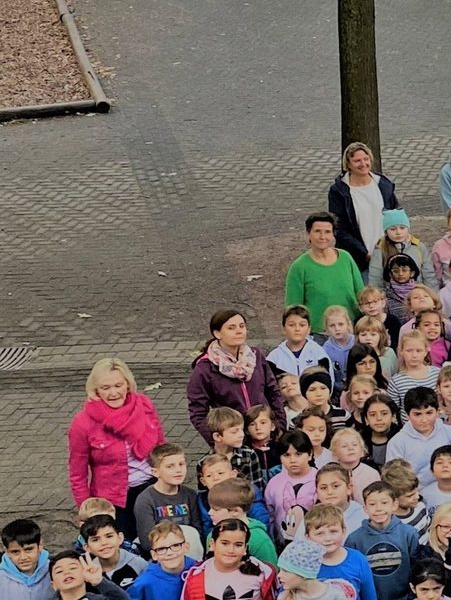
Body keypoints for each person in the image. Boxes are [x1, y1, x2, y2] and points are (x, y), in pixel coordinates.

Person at [68, 358, 166, 531]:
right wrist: (86, 509)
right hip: (112, 501)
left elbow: (161, 449)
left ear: (128, 385)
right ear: (96, 390)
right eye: (105, 388)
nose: (113, 393)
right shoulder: (82, 423)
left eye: (118, 385)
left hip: (152, 488)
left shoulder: (144, 406)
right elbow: (78, 473)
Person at [186, 310, 285, 444]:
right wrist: (218, 440)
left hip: (264, 434)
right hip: (233, 440)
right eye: (231, 328)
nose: (239, 331)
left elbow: (273, 392)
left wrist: (279, 426)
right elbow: (198, 411)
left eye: (242, 326)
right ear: (217, 333)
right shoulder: (205, 368)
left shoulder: (256, 356)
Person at [326, 142, 400, 273]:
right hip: (358, 259)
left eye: (366, 159)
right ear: (348, 164)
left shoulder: (383, 184)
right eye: (357, 161)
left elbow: (396, 216)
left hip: (388, 254)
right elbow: (339, 228)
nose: (363, 164)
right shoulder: (339, 191)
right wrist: (364, 254)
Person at [287, 213, 368, 330]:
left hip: (350, 328)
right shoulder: (299, 267)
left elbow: (361, 293)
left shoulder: (346, 258)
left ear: (333, 234)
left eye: (327, 232)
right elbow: (294, 309)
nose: (322, 236)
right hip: (319, 333)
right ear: (308, 233)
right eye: (317, 231)